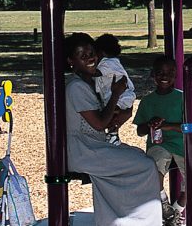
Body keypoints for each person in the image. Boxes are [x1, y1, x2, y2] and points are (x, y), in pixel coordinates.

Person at [63, 33, 162, 225]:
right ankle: (139, 220)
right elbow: (99, 124)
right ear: (71, 61)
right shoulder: (76, 87)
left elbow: (108, 122)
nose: (89, 58)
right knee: (146, 166)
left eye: (91, 53)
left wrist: (123, 108)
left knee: (139, 156)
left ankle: (121, 219)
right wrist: (116, 94)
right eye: (82, 55)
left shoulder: (93, 83)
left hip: (94, 146)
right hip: (84, 151)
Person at [133, 56, 187, 226]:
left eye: (169, 73)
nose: (165, 76)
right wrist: (150, 125)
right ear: (153, 75)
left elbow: (188, 126)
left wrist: (166, 126)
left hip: (182, 144)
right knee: (152, 169)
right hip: (159, 145)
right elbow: (140, 131)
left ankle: (176, 211)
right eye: (160, 73)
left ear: (176, 74)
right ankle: (164, 204)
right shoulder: (147, 101)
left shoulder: (183, 98)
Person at [94, 33, 136, 145]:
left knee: (113, 113)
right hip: (121, 96)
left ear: (101, 52)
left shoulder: (107, 63)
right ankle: (113, 134)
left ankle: (113, 132)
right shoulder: (114, 62)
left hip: (122, 95)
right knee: (116, 116)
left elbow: (95, 73)